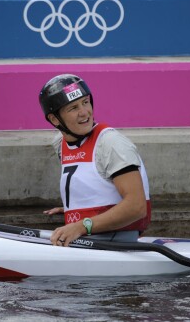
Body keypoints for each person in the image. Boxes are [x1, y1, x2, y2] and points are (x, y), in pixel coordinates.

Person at [39, 74, 151, 247]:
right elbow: (96, 184)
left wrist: (81, 225)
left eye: (85, 102)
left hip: (116, 243)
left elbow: (137, 206)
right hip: (89, 239)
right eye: (73, 108)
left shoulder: (111, 143)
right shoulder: (60, 144)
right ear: (55, 119)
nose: (85, 112)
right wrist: (76, 206)